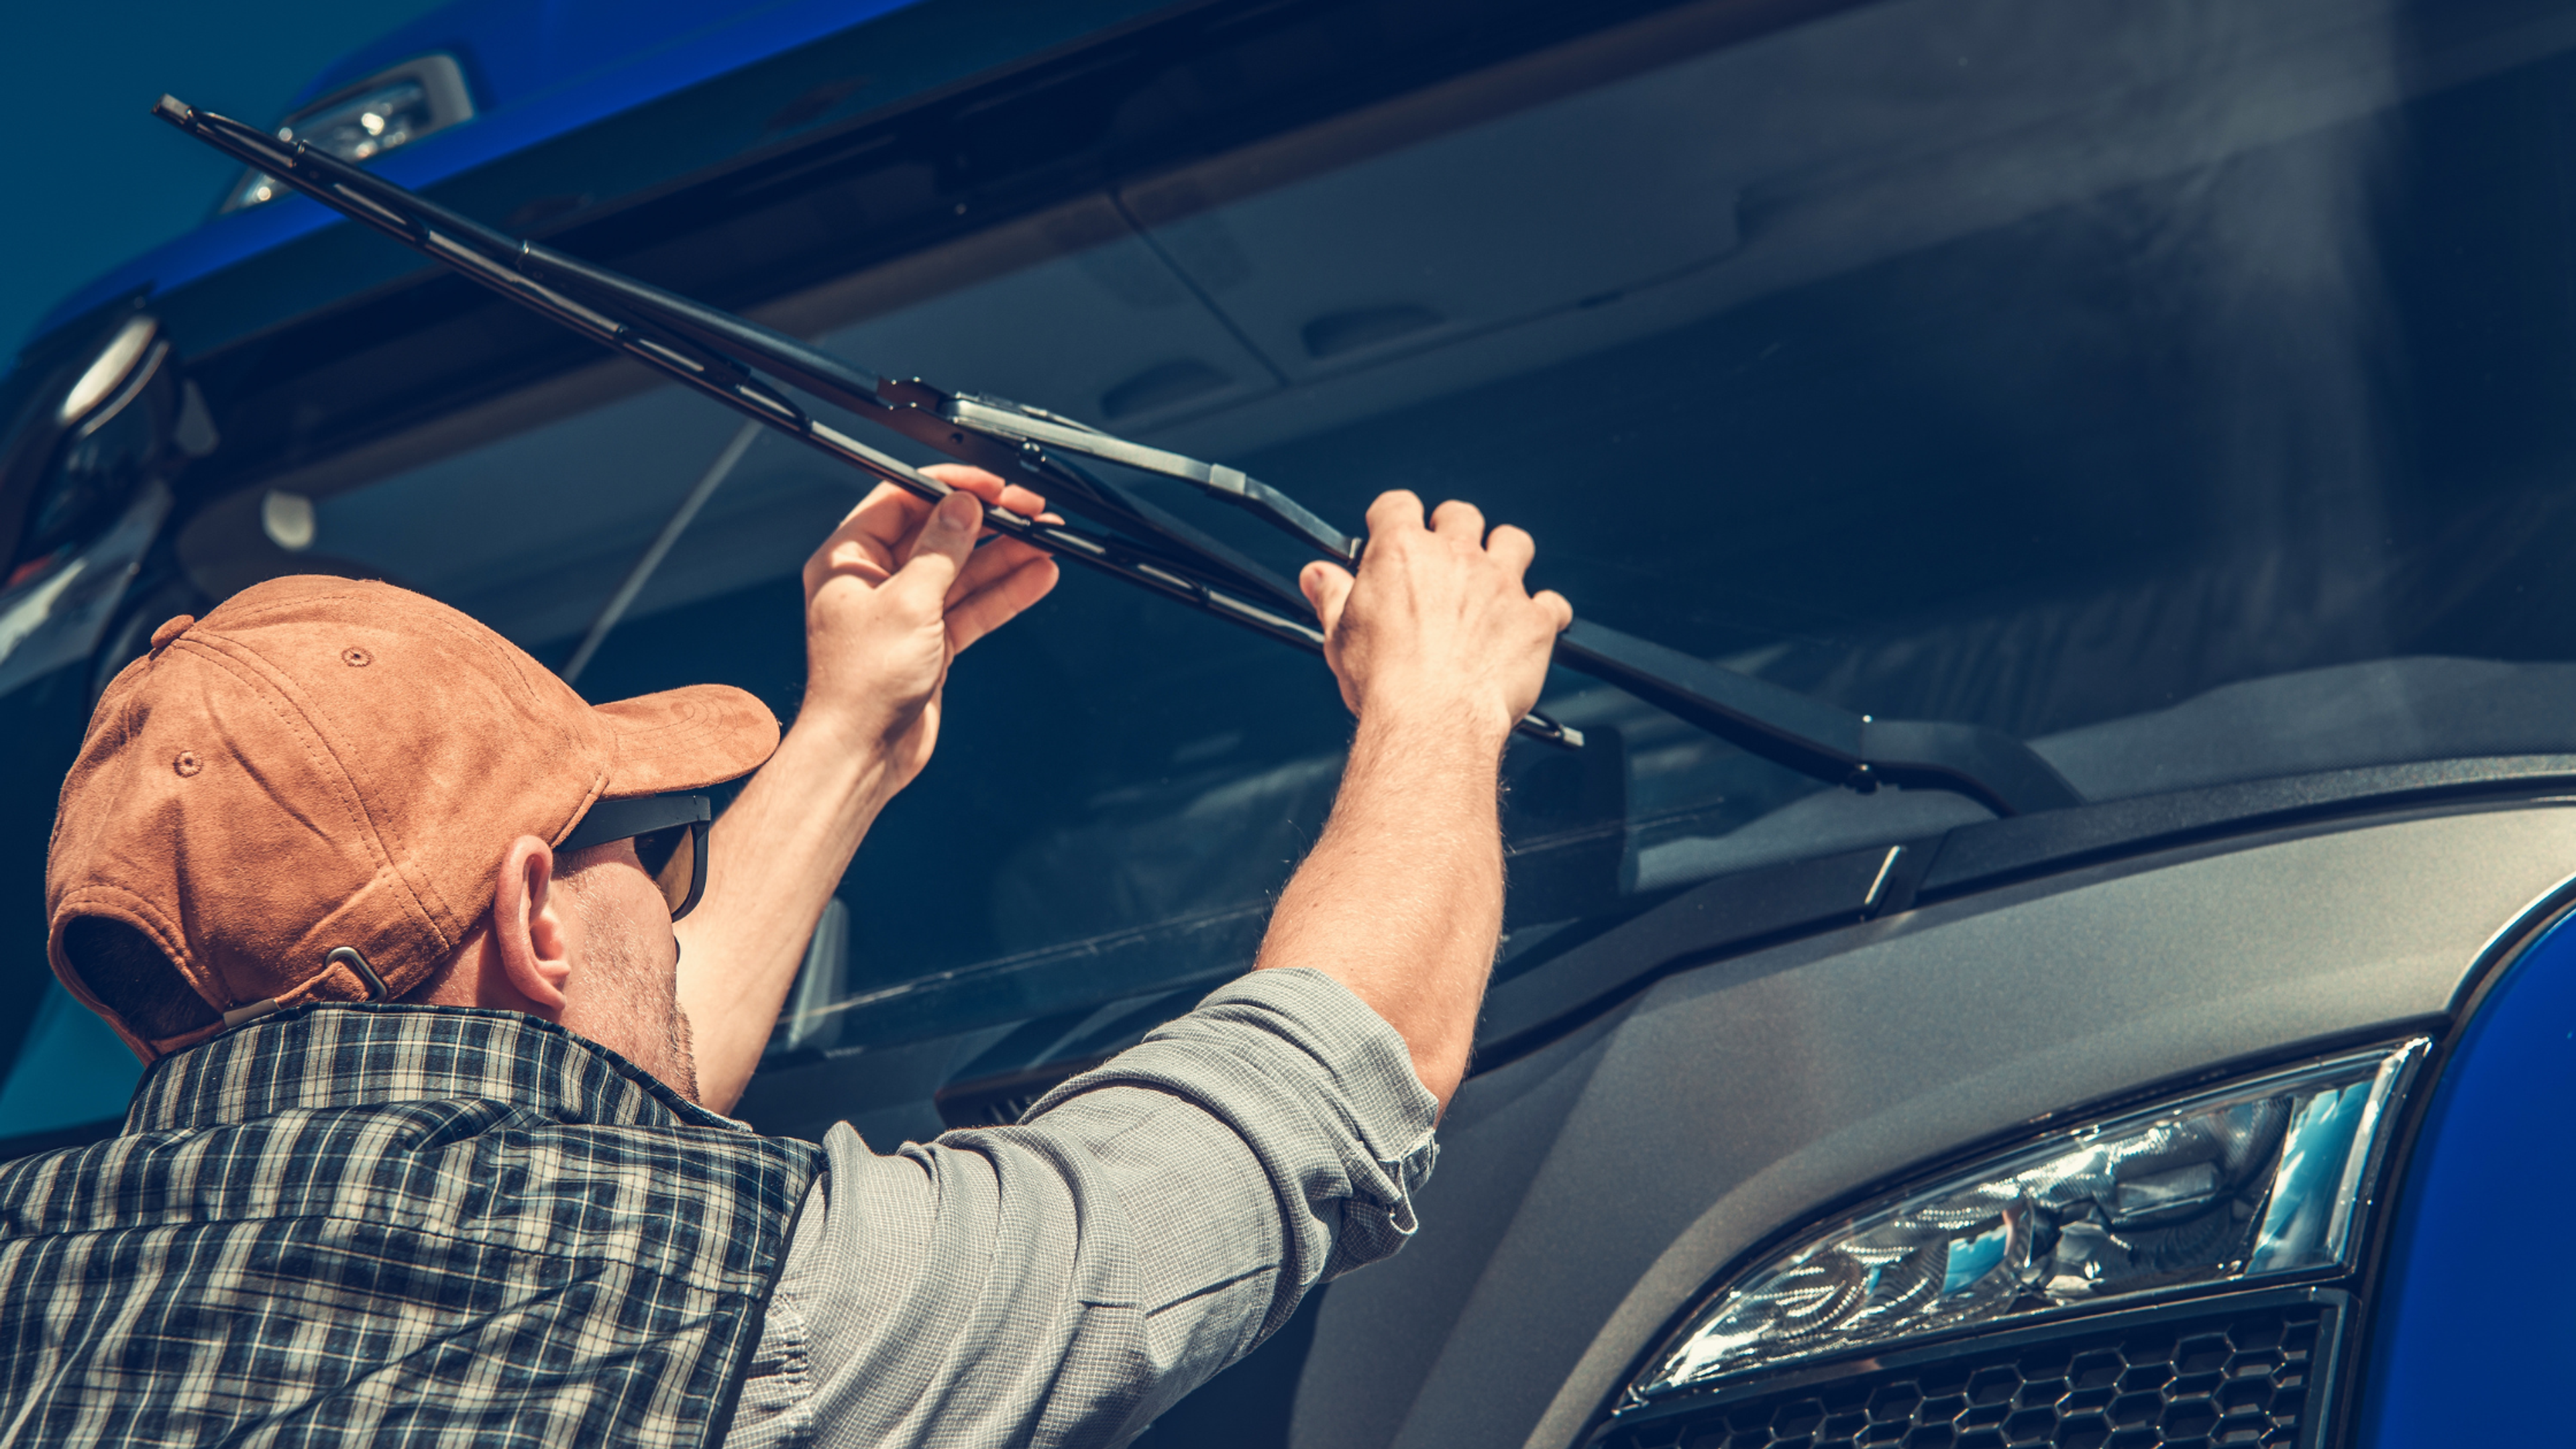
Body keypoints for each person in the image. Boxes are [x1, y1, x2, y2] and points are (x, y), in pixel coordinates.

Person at [0, 464, 1571, 1447]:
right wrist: (1439, 709)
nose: (671, 891)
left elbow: (602, 1069)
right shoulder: (745, 1305)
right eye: (653, 847)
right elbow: (1312, 1102)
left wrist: (851, 739)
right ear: (540, 916)